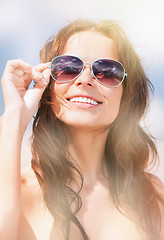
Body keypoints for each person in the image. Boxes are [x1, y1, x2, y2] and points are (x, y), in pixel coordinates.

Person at [0, 19, 164, 240]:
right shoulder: (19, 191)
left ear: (126, 94)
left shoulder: (151, 195)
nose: (85, 79)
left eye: (107, 71)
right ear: (47, 84)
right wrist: (13, 117)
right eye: (68, 68)